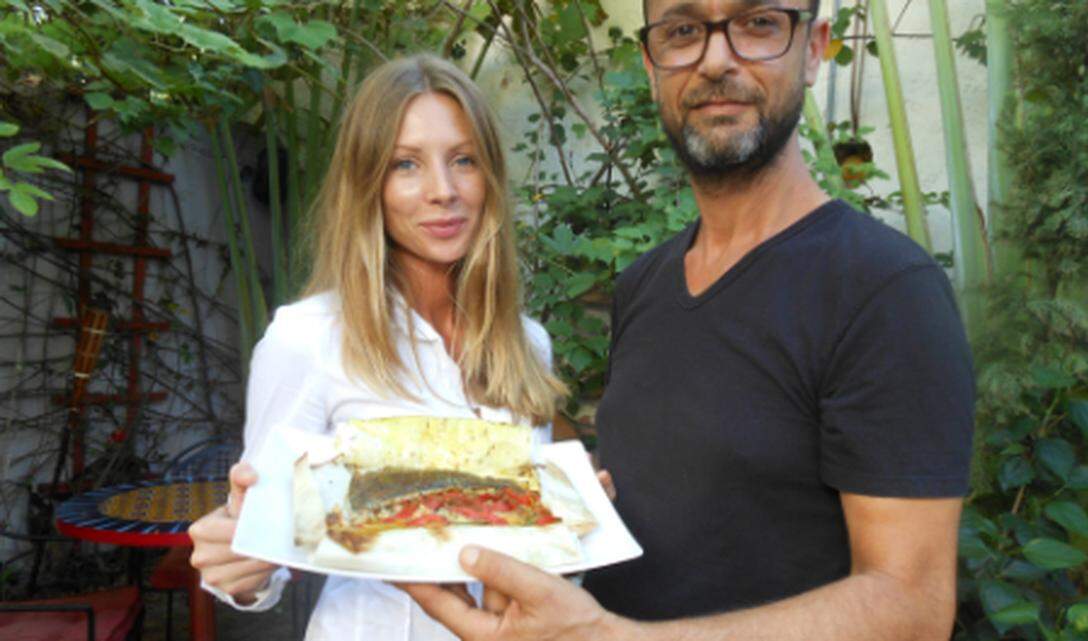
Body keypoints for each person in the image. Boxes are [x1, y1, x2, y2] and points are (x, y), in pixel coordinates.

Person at [403, 0, 975, 639]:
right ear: (652, 62)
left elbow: (913, 605)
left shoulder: (884, 291)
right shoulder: (644, 283)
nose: (715, 59)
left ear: (813, 48)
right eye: (683, 31)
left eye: (758, 23)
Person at [186, 54, 568, 641]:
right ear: (369, 184)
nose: (443, 191)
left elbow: (533, 547)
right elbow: (263, 551)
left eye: (463, 160)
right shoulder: (308, 338)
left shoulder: (528, 344)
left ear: (489, 175)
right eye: (406, 164)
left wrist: (573, 520)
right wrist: (242, 572)